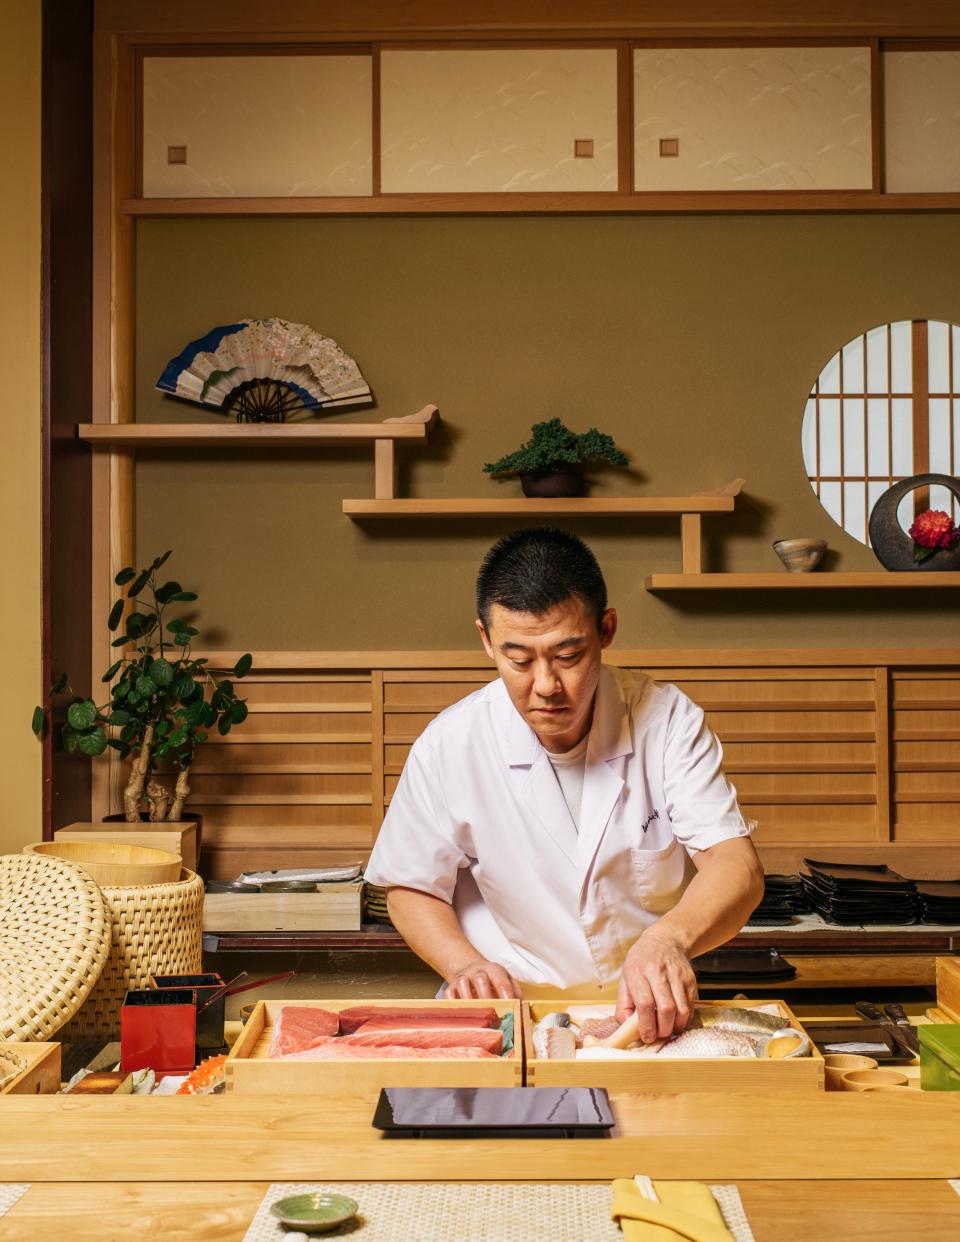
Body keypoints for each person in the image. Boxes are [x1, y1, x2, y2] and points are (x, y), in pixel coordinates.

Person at [364, 528, 764, 1042]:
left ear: (606, 630)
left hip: (643, 1017)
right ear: (487, 640)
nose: (547, 685)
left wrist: (668, 939)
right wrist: (463, 965)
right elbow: (411, 887)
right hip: (508, 1017)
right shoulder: (450, 743)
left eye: (569, 656)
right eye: (520, 660)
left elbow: (737, 866)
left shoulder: (668, 721)